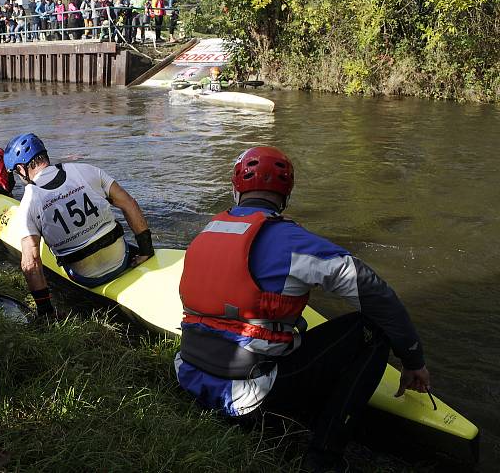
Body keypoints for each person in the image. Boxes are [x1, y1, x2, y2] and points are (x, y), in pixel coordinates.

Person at [175, 146, 431, 471]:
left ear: (236, 189)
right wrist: (413, 359)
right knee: (372, 328)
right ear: (286, 195)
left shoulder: (206, 234)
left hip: (189, 374)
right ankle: (324, 457)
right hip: (249, 394)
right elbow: (378, 294)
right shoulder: (296, 242)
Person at [3, 133, 155, 315]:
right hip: (122, 260)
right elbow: (129, 203)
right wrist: (146, 250)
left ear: (21, 168)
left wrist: (45, 311)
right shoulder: (86, 170)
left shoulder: (28, 203)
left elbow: (31, 263)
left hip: (85, 277)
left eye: (15, 172)